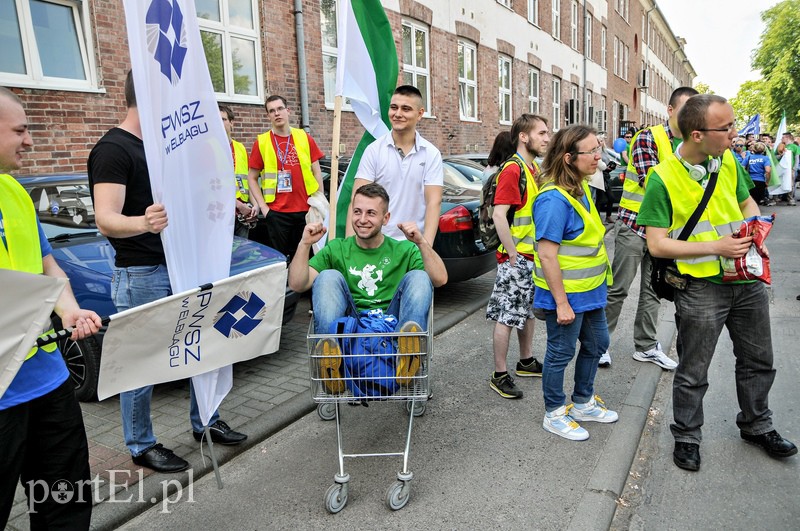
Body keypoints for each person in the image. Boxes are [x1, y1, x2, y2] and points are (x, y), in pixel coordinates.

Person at [88, 71, 247, 474]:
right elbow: (106, 219)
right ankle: (141, 444)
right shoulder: (113, 149)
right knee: (143, 365)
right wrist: (144, 223)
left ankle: (205, 421)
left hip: (181, 266)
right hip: (142, 273)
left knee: (197, 349)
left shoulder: (162, 147)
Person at [637, 94, 797, 471]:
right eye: (725, 128)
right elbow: (657, 244)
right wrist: (717, 245)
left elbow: (746, 204)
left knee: (759, 360)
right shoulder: (662, 178)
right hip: (700, 289)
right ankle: (687, 437)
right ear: (696, 134)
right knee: (693, 369)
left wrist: (754, 234)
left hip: (746, 280)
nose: (734, 133)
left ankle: (758, 425)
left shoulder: (727, 160)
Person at [0, 87, 102, 529]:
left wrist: (69, 310)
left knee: (66, 501)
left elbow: (48, 264)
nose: (29, 141)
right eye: (20, 131)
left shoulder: (15, 191)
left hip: (49, 381)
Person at [602, 86, 698, 369]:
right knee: (618, 289)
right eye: (685, 110)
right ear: (670, 110)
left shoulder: (691, 144)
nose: (691, 116)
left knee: (653, 290)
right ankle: (599, 344)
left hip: (663, 232)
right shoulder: (648, 137)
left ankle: (645, 346)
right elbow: (652, 182)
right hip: (634, 225)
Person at [532, 124, 618, 440]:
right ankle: (554, 413)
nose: (599, 157)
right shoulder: (554, 199)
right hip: (567, 296)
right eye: (592, 151)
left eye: (599, 148)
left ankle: (582, 402)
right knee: (560, 352)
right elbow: (547, 255)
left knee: (597, 344)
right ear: (569, 158)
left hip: (589, 292)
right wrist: (561, 303)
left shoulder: (578, 188)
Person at [288, 183, 447, 346]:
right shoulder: (337, 248)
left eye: (371, 213)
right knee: (327, 276)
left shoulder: (404, 250)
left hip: (391, 327)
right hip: (351, 328)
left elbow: (440, 279)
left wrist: (421, 242)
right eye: (357, 212)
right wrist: (304, 244)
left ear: (385, 218)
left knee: (419, 276)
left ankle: (408, 350)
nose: (362, 220)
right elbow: (297, 284)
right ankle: (329, 353)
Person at [486, 114, 550, 399]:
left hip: (529, 256)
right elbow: (499, 215)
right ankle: (499, 374)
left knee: (527, 312)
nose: (547, 138)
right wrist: (512, 254)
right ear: (524, 137)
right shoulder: (514, 169)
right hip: (517, 258)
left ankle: (525, 361)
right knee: (508, 315)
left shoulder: (532, 167)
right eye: (542, 133)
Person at [350, 85, 443, 245]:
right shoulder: (373, 150)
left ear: (420, 114)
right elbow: (357, 199)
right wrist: (351, 247)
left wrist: (426, 247)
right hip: (376, 244)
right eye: (394, 107)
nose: (398, 114)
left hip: (412, 246)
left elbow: (433, 203)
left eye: (406, 109)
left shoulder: (431, 154)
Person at [246, 95, 324, 260]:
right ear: (268, 116)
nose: (277, 113)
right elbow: (252, 178)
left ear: (288, 111)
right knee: (280, 260)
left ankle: (304, 286)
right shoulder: (262, 142)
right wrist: (265, 209)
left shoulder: (303, 137)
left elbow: (316, 170)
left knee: (307, 258)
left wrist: (319, 202)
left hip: (305, 210)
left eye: (280, 109)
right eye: (272, 111)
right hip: (277, 213)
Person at [219, 104, 256, 238]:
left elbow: (250, 181)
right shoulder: (207, 148)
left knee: (242, 256)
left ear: (231, 123)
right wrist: (239, 205)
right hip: (220, 214)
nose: (219, 123)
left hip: (242, 217)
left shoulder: (240, 148)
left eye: (223, 119)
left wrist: (254, 206)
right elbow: (209, 187)